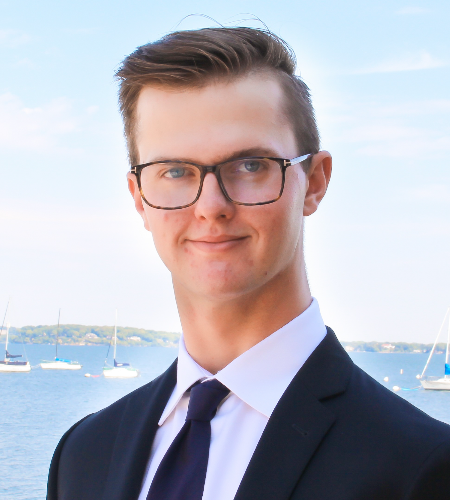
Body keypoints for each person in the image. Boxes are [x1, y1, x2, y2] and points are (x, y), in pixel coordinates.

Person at [47, 27, 450, 500]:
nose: (210, 206)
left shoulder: (421, 466)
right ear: (139, 198)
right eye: (175, 171)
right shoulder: (83, 454)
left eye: (251, 165)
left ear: (315, 182)